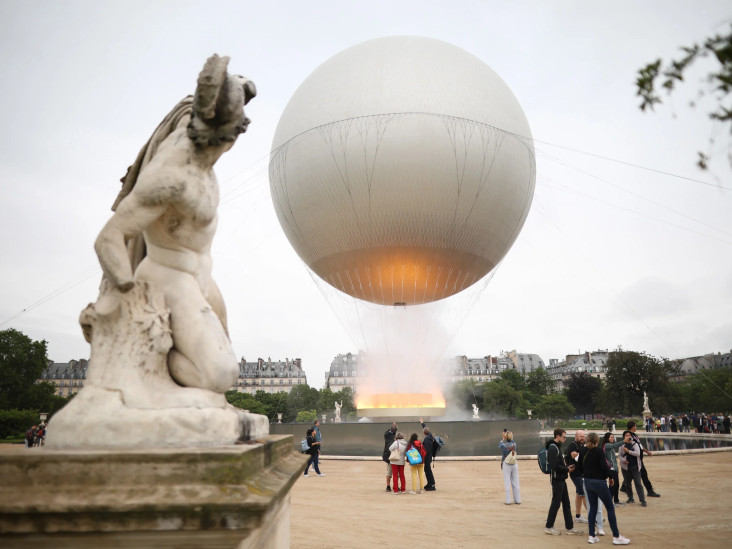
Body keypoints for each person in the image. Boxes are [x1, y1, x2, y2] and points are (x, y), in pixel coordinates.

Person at [94, 54, 256, 395]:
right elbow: (108, 237)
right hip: (167, 275)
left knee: (229, 368)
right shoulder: (171, 175)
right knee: (218, 375)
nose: (235, 142)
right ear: (218, 133)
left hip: (201, 276)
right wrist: (129, 293)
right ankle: (152, 379)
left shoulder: (206, 166)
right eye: (234, 133)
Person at [583, 432, 631, 545]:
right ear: (596, 441)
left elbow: (581, 466)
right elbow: (604, 466)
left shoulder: (584, 451)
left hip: (587, 482)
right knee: (609, 508)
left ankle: (591, 535)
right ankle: (616, 536)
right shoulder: (599, 451)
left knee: (592, 508)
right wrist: (610, 476)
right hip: (599, 482)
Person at [544, 428, 583, 536]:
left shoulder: (556, 447)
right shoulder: (553, 448)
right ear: (557, 436)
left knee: (566, 503)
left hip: (560, 479)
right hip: (557, 480)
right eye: (564, 436)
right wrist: (566, 469)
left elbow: (557, 464)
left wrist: (566, 467)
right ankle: (549, 526)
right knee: (556, 503)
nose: (565, 439)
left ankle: (569, 527)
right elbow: (554, 466)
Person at [627, 420, 660, 497]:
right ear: (632, 427)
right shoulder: (628, 435)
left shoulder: (634, 435)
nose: (636, 427)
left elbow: (639, 446)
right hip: (635, 458)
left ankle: (624, 487)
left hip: (637, 458)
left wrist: (646, 451)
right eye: (635, 426)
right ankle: (650, 490)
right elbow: (631, 445)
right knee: (643, 474)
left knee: (632, 474)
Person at [566, 430, 589, 523]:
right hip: (576, 473)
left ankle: (578, 516)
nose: (583, 438)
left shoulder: (582, 445)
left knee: (579, 494)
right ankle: (593, 516)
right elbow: (573, 455)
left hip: (581, 473)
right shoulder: (573, 444)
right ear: (576, 436)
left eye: (584, 436)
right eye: (581, 436)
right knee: (584, 493)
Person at [619, 430, 645, 506]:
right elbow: (620, 455)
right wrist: (624, 460)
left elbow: (638, 454)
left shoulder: (635, 444)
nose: (628, 437)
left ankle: (642, 500)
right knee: (627, 483)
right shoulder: (622, 445)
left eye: (629, 435)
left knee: (638, 483)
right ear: (624, 437)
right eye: (626, 435)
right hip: (625, 467)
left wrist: (628, 451)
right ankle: (630, 497)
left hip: (635, 467)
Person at [602, 432, 625, 507]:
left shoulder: (609, 446)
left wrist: (617, 468)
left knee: (616, 485)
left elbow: (614, 459)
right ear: (607, 438)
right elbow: (615, 445)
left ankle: (616, 500)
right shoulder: (607, 445)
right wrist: (624, 441)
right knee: (612, 485)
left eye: (613, 437)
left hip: (614, 468)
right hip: (610, 468)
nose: (612, 438)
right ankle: (609, 502)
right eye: (611, 437)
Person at [498, 430, 521, 505]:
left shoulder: (504, 445)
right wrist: (508, 435)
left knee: (507, 483)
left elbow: (499, 445)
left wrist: (503, 438)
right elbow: (512, 440)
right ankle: (517, 500)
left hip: (506, 463)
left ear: (506, 437)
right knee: (516, 482)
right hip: (514, 463)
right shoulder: (515, 444)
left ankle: (508, 500)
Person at [420, 417, 437, 491]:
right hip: (429, 457)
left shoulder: (427, 440)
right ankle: (429, 483)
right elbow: (426, 430)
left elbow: (425, 450)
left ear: (424, 433)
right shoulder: (430, 436)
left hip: (427, 458)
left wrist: (422, 457)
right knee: (427, 470)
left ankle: (432, 484)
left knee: (428, 470)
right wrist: (422, 423)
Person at [382, 422, 397, 492]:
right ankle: (395, 486)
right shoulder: (394, 441)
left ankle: (388, 486)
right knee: (396, 473)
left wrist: (393, 426)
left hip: (389, 458)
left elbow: (387, 432)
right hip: (395, 458)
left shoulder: (386, 435)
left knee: (389, 472)